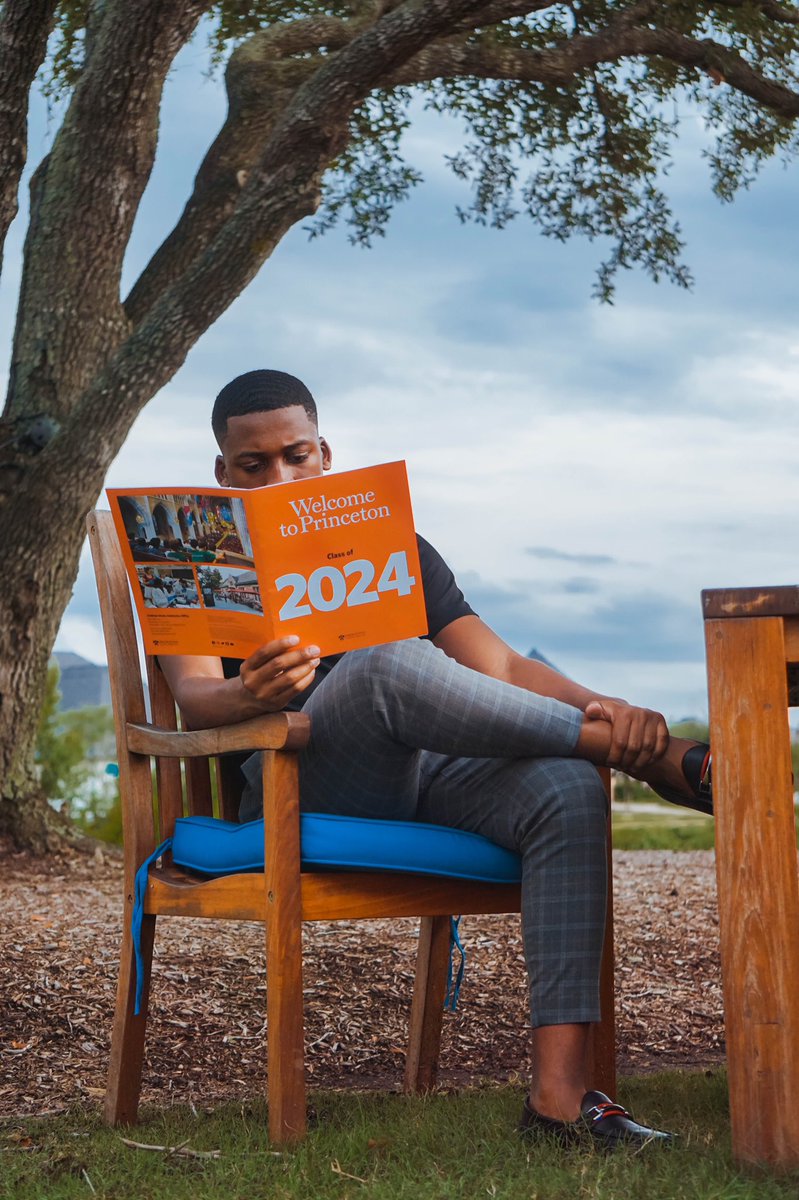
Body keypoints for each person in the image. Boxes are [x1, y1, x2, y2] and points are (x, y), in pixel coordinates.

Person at [160, 370, 713, 1150]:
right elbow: (196, 700)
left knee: (562, 786)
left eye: (295, 456)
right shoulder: (189, 556)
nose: (278, 478)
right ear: (222, 472)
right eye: (253, 466)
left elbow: (507, 672)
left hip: (417, 775)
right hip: (297, 779)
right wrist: (250, 691)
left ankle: (557, 1103)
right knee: (388, 662)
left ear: (325, 455)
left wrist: (613, 712)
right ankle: (646, 762)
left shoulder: (393, 548)